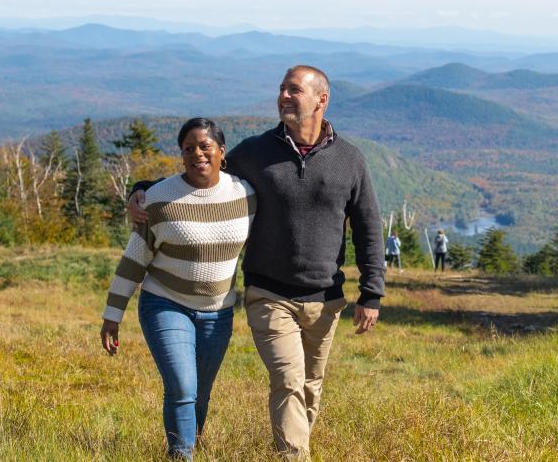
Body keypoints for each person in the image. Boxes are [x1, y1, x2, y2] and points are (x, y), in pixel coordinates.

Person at [128, 65, 385, 458]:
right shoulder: (255, 152)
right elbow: (200, 173)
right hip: (268, 293)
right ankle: (293, 456)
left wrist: (372, 294)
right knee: (287, 379)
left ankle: (294, 442)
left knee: (310, 386)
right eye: (282, 88)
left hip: (326, 297)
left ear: (321, 100)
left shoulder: (350, 160)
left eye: (293, 90)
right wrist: (144, 189)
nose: (283, 95)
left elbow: (368, 227)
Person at [100, 118, 255, 461]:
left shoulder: (246, 196)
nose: (198, 154)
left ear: (222, 152)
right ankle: (180, 454)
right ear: (181, 155)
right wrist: (113, 316)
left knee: (200, 393)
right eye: (189, 149)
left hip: (219, 312)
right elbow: (133, 261)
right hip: (165, 304)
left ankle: (190, 444)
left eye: (205, 146)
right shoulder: (158, 199)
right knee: (183, 387)